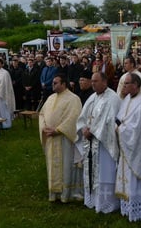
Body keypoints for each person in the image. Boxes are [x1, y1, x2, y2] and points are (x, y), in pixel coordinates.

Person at [115, 72, 141, 222]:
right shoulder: (127, 99)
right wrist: (118, 126)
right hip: (127, 146)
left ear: (136, 85)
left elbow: (140, 128)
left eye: (126, 83)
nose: (124, 86)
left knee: (137, 178)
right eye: (124, 83)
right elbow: (121, 118)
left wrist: (121, 130)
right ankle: (128, 207)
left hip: (139, 149)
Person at [77, 72, 121, 213]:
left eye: (96, 81)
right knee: (91, 170)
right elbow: (83, 116)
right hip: (90, 142)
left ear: (104, 82)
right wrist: (84, 129)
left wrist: (93, 131)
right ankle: (92, 200)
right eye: (92, 81)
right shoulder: (92, 97)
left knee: (104, 172)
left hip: (104, 144)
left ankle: (107, 203)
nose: (93, 84)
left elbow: (110, 121)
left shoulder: (113, 98)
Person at [39, 73, 83, 202]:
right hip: (50, 137)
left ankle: (66, 193)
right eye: (53, 83)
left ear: (64, 84)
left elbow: (74, 118)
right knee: (53, 165)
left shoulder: (73, 99)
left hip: (64, 138)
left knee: (66, 165)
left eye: (55, 83)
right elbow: (42, 114)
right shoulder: (51, 98)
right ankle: (54, 193)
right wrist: (44, 127)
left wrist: (58, 130)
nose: (53, 85)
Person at [0, 58, 16, 129]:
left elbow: (6, 85)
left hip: (3, 95)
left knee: (4, 110)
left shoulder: (5, 73)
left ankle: (6, 124)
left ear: (2, 64)